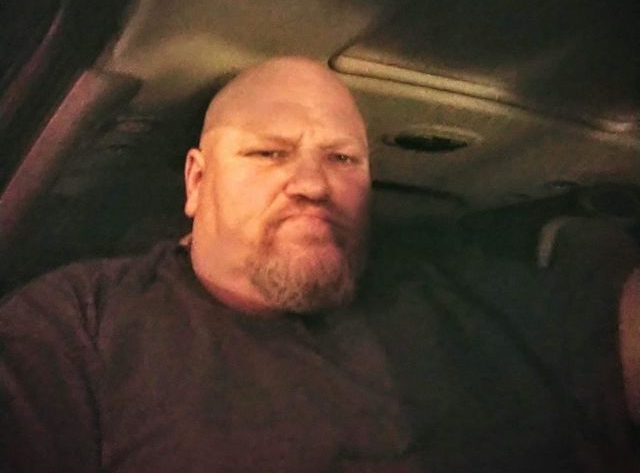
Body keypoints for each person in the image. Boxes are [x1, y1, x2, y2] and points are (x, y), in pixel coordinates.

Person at [1, 56, 639, 472]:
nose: (312, 184)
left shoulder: (454, 287)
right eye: (269, 154)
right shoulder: (83, 325)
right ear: (196, 181)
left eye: (342, 159)